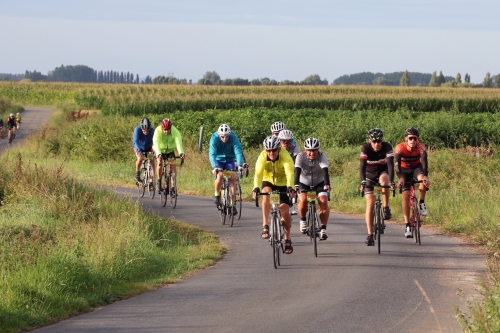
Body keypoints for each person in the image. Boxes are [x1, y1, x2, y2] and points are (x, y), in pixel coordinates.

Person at [253, 136, 295, 254]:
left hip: (283, 183)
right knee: (266, 192)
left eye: (274, 150)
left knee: (285, 211)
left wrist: (290, 187)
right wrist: (256, 187)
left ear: (279, 149)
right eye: (268, 150)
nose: (271, 153)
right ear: (265, 150)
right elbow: (258, 173)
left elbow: (290, 172)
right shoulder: (262, 156)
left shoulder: (285, 156)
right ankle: (265, 225)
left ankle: (287, 239)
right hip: (268, 181)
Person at [359, 128, 395, 246]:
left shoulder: (387, 147)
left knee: (384, 180)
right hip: (369, 175)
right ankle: (370, 235)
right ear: (369, 141)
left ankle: (386, 207)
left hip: (382, 172)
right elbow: (362, 167)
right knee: (370, 203)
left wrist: (392, 181)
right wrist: (363, 181)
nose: (377, 144)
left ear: (382, 140)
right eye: (374, 141)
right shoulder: (365, 149)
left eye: (379, 141)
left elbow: (390, 165)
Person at [394, 127, 430, 238]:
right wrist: (400, 178)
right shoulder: (400, 148)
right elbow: (397, 166)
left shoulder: (421, 148)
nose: (413, 141)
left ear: (417, 139)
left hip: (416, 168)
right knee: (406, 196)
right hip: (403, 171)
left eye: (415, 138)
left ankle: (422, 202)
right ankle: (407, 225)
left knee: (422, 180)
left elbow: (424, 164)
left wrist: (425, 177)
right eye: (410, 138)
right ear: (406, 139)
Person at [294, 137, 331, 240]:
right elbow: (297, 171)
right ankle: (303, 220)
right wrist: (296, 184)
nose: (312, 153)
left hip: (319, 182)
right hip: (303, 182)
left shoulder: (322, 156)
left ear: (318, 150)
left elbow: (325, 170)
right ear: (305, 150)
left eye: (314, 150)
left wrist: (327, 184)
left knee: (323, 202)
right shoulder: (300, 156)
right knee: (303, 200)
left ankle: (323, 228)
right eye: (309, 150)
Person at [209, 124, 245, 215]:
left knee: (233, 178)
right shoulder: (214, 138)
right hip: (218, 160)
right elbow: (212, 153)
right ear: (219, 135)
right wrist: (214, 167)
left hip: (229, 160)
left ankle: (232, 205)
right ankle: (217, 194)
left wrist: (240, 165)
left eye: (227, 136)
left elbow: (238, 151)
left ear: (230, 134)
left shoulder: (233, 137)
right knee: (220, 175)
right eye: (222, 137)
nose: (225, 139)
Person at [152, 118, 185, 193]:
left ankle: (173, 187)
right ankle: (159, 182)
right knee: (160, 163)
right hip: (160, 150)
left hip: (170, 150)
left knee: (172, 164)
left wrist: (181, 153)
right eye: (165, 130)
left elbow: (178, 142)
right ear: (162, 128)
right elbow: (156, 143)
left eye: (168, 130)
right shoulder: (158, 131)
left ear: (171, 128)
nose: (166, 132)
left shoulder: (175, 131)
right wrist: (158, 154)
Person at [132, 117, 156, 183]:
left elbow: (156, 141)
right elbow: (135, 141)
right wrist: (138, 150)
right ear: (141, 128)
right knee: (140, 158)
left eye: (147, 130)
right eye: (144, 131)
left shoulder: (153, 130)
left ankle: (151, 181)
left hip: (148, 148)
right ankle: (137, 173)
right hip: (138, 147)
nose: (146, 132)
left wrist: (156, 150)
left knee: (152, 160)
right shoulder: (137, 130)